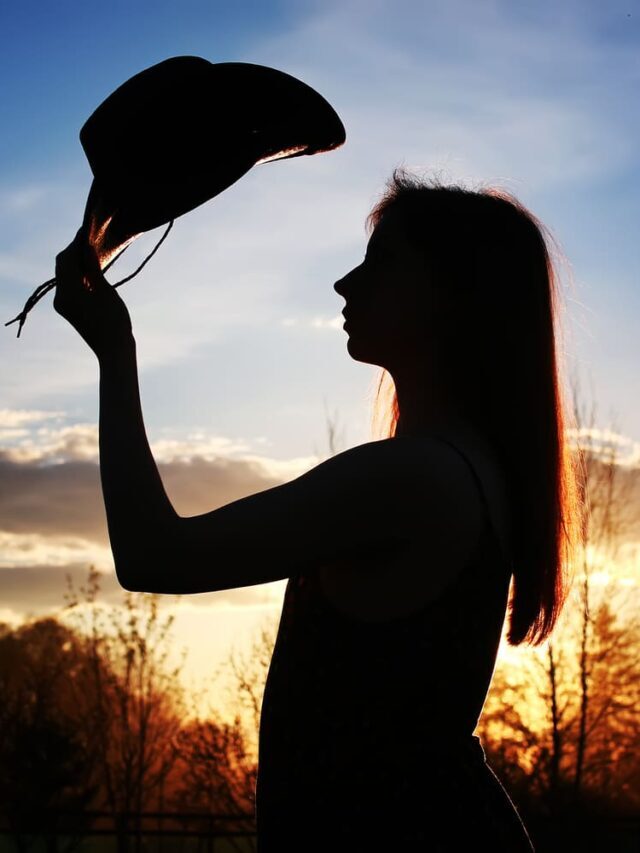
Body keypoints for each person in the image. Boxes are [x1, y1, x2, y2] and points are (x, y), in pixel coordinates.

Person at [54, 167, 585, 851]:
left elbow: (154, 553)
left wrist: (113, 350)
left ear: (449, 297)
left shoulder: (414, 478)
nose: (345, 284)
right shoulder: (467, 470)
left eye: (380, 263)